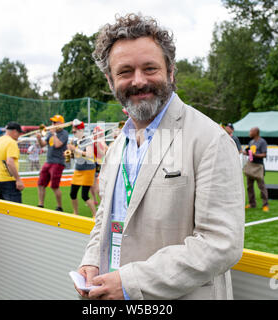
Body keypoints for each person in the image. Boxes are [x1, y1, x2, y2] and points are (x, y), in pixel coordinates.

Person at [75, 13, 244, 300]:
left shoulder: (210, 139)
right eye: (125, 71)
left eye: (150, 68)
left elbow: (220, 244)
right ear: (109, 79)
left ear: (171, 71)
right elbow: (106, 215)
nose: (138, 81)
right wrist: (91, 260)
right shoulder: (118, 145)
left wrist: (129, 283)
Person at [0, 121, 25, 203]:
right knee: (15, 210)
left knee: (1, 211)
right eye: (19, 133)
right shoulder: (11, 142)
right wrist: (18, 180)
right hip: (8, 180)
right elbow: (10, 162)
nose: (19, 135)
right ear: (14, 131)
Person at [36, 114, 68, 212]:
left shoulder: (64, 133)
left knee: (54, 186)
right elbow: (42, 145)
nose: (52, 124)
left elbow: (58, 145)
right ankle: (40, 204)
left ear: (61, 123)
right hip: (48, 161)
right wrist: (38, 138)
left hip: (58, 162)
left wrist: (54, 134)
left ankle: (59, 206)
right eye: (52, 122)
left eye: (55, 122)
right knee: (40, 183)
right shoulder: (49, 133)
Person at [67, 121, 97, 217]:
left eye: (75, 131)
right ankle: (75, 213)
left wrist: (75, 149)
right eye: (73, 132)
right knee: (72, 193)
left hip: (88, 170)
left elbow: (89, 154)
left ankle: (95, 215)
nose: (74, 133)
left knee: (84, 195)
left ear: (81, 130)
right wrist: (70, 154)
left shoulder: (87, 140)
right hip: (78, 169)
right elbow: (77, 155)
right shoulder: (75, 141)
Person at [243, 127, 269, 212]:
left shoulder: (262, 142)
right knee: (249, 187)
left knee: (261, 186)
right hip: (251, 165)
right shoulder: (251, 142)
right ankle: (252, 204)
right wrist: (247, 153)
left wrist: (255, 155)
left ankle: (265, 204)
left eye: (251, 131)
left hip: (258, 166)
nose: (249, 132)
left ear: (256, 132)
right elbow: (250, 154)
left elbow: (264, 154)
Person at [90, 126, 108, 205]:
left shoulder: (101, 141)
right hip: (92, 163)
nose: (93, 134)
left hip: (98, 163)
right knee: (91, 184)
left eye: (95, 133)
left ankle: (102, 202)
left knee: (96, 185)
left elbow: (103, 153)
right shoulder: (93, 141)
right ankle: (95, 200)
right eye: (93, 133)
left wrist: (97, 146)